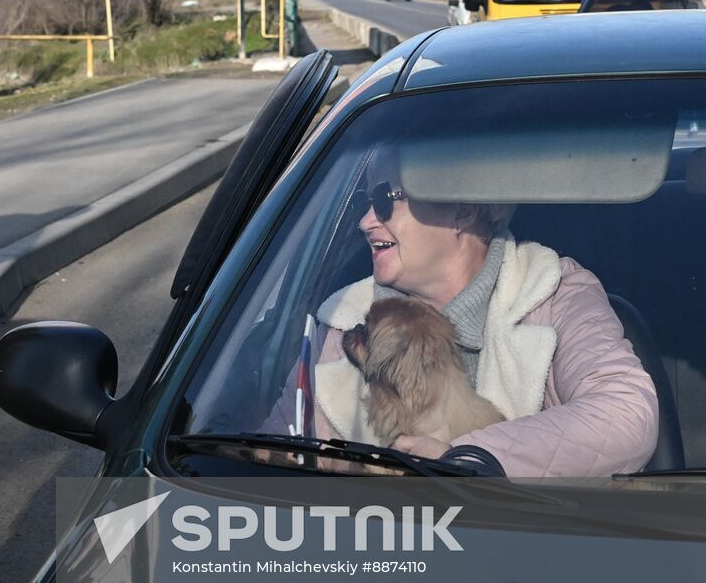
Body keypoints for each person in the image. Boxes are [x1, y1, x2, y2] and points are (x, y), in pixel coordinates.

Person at [268, 148, 659, 477]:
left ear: (462, 210)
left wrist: (466, 461)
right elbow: (272, 448)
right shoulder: (341, 321)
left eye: (386, 199)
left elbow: (626, 413)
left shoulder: (553, 292)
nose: (366, 220)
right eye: (364, 202)